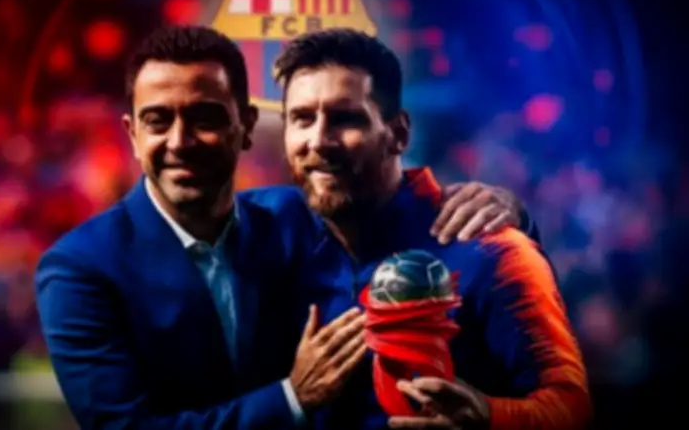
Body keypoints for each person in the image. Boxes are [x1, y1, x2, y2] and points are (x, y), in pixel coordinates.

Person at [35, 26, 536, 430]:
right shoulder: (79, 268)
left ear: (247, 126)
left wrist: (507, 213)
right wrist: (291, 398)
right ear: (132, 134)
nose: (180, 141)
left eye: (205, 117)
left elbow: (393, 208)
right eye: (158, 120)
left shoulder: (293, 215)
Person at [275, 28, 591, 429]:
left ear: (398, 134)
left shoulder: (491, 248)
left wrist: (489, 418)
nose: (318, 140)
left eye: (345, 118)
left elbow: (572, 410)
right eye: (302, 119)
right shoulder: (280, 238)